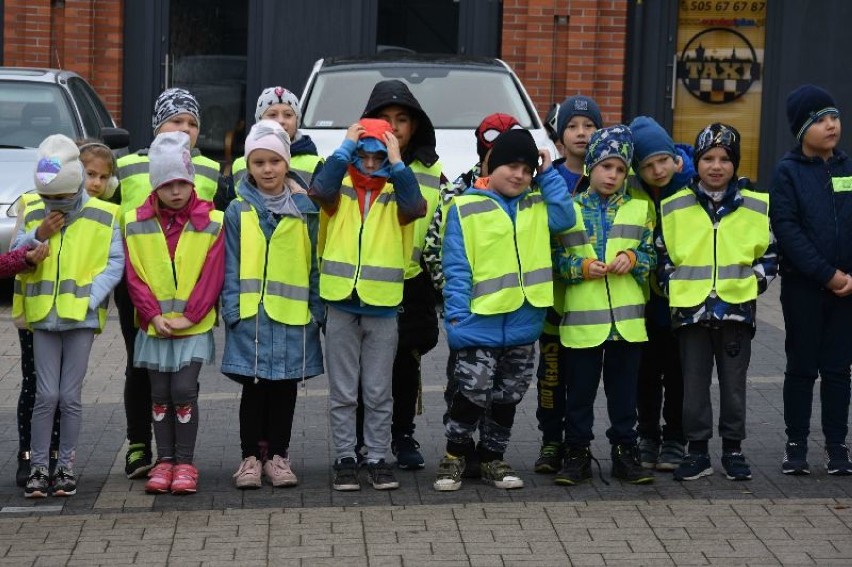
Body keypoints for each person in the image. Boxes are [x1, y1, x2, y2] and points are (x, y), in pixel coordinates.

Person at [433, 128, 575, 492]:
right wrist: (457, 318)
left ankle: (493, 456)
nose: (519, 175)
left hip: (524, 322)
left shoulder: (538, 204)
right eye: (511, 166)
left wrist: (549, 173)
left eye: (527, 170)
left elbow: (566, 218)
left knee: (507, 396)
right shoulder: (465, 207)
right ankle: (456, 454)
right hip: (478, 321)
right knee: (471, 391)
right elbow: (457, 267)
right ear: (490, 165)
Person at [114, 88, 228, 480]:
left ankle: (181, 460)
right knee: (142, 375)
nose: (184, 128)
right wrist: (149, 309)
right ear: (157, 124)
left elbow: (214, 246)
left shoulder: (210, 170)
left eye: (192, 123)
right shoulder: (128, 165)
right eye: (176, 120)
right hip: (145, 297)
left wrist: (195, 312)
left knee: (180, 388)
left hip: (190, 306)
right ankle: (141, 446)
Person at [309, 118, 426, 491]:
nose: (372, 164)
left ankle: (376, 456)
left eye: (380, 157)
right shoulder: (338, 189)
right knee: (344, 392)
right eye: (365, 155)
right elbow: (319, 187)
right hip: (342, 303)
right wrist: (344, 147)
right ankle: (346, 456)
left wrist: (398, 160)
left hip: (383, 306)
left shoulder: (398, 193)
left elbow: (417, 206)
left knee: (378, 391)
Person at [658, 123, 777, 482]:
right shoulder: (674, 205)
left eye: (725, 159)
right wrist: (672, 285)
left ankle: (733, 449)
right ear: (697, 161)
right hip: (690, 311)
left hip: (736, 311)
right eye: (708, 158)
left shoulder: (755, 205)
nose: (716, 165)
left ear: (735, 164)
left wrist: (752, 284)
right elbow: (661, 255)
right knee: (692, 384)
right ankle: (697, 451)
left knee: (733, 384)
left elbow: (770, 255)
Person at [12, 134, 123, 497]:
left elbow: (115, 262)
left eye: (60, 198)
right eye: (48, 198)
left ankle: (65, 467)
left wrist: (90, 299)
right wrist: (36, 235)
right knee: (46, 395)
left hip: (80, 317)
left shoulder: (105, 214)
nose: (53, 204)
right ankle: (38, 467)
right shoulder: (32, 206)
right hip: (43, 314)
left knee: (70, 396)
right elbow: (14, 254)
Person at [221, 120, 324, 488]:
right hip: (250, 315)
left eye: (275, 162)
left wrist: (317, 311)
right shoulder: (237, 210)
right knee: (254, 387)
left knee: (283, 389)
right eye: (259, 162)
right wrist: (231, 309)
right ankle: (250, 458)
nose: (267, 169)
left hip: (294, 316)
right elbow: (229, 263)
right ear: (248, 166)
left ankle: (278, 457)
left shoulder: (306, 210)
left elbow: (316, 263)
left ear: (286, 163)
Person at [552, 125, 656, 486]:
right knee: (578, 395)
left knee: (624, 396)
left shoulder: (640, 210)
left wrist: (633, 257)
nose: (611, 175)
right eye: (605, 167)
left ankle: (626, 453)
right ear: (589, 167)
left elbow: (651, 256)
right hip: (582, 325)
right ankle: (576, 452)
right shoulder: (569, 210)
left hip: (626, 326)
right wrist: (579, 268)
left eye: (620, 169)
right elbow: (555, 262)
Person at [421, 112, 522, 479]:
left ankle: (491, 452)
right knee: (466, 385)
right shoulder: (457, 191)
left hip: (514, 315)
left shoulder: (530, 195)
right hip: (471, 313)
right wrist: (453, 299)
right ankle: (458, 450)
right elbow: (434, 248)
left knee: (506, 388)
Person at [358, 79, 443, 470]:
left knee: (405, 365)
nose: (395, 126)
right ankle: (363, 438)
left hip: (411, 280)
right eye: (384, 119)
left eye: (402, 119)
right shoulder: (358, 161)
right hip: (368, 280)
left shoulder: (431, 168)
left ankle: (402, 434)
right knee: (367, 368)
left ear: (416, 124)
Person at [771, 84, 852, 476]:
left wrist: (847, 278)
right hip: (804, 287)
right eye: (820, 120)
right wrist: (827, 274)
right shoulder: (787, 172)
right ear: (802, 130)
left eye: (833, 116)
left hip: (846, 291)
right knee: (801, 367)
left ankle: (837, 445)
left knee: (838, 369)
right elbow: (787, 229)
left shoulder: (848, 168)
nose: (831, 125)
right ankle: (795, 443)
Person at [532, 94, 602, 474]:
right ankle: (550, 441)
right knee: (551, 376)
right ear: (558, 135)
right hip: (554, 300)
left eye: (589, 126)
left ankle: (578, 443)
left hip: (591, 300)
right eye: (573, 126)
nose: (581, 133)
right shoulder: (549, 178)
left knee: (582, 380)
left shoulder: (609, 174)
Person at [627, 116, 695, 472]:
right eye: (648, 165)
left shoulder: (689, 184)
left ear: (674, 157)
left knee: (679, 371)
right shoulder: (632, 189)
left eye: (662, 161)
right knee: (647, 373)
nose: (657, 170)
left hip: (682, 297)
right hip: (644, 299)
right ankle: (648, 436)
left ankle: (675, 438)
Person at [231, 86, 324, 190]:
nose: (280, 121)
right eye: (272, 115)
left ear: (297, 120)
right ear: (259, 120)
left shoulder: (314, 164)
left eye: (288, 115)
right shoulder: (239, 165)